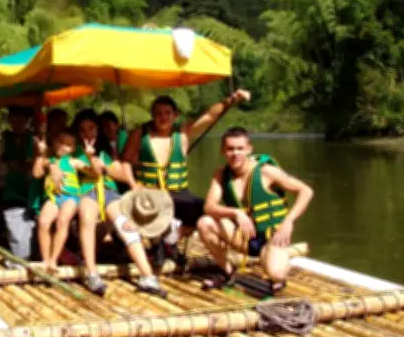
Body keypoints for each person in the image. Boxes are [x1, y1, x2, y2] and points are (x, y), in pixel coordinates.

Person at [196, 127, 314, 291]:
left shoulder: (266, 171)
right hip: (245, 237)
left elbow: (305, 191)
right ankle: (227, 272)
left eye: (240, 148)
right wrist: (236, 213)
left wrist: (289, 222)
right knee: (205, 223)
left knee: (276, 273)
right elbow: (209, 206)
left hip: (273, 238)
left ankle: (274, 263)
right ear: (223, 151)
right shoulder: (221, 175)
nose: (235, 153)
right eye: (230, 149)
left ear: (249, 149)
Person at [122, 89, 252, 238]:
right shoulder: (140, 133)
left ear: (175, 115)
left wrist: (232, 99)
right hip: (150, 192)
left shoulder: (183, 132)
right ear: (152, 115)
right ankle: (165, 235)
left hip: (179, 193)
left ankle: (177, 233)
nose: (163, 117)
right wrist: (133, 185)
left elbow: (209, 116)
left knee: (207, 211)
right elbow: (126, 161)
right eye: (158, 113)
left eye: (167, 113)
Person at [72, 110, 167, 296]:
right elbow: (92, 171)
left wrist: (104, 165)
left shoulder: (105, 151)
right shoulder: (75, 150)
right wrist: (91, 160)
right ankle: (91, 273)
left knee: (124, 224)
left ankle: (147, 275)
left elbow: (121, 173)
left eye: (91, 128)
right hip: (86, 191)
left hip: (109, 191)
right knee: (87, 217)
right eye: (82, 130)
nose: (87, 133)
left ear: (97, 130)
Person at [33, 128, 91, 272]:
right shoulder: (49, 160)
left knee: (62, 221)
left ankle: (53, 260)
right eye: (60, 142)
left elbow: (92, 171)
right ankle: (45, 260)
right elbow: (36, 174)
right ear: (53, 142)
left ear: (73, 148)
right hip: (53, 197)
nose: (63, 147)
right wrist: (41, 154)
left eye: (68, 144)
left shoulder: (74, 162)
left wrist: (90, 157)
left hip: (71, 197)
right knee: (43, 222)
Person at [0, 107, 38, 262]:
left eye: (20, 121)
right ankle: (19, 256)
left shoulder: (32, 139)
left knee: (28, 224)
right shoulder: (5, 138)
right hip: (11, 188)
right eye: (14, 121)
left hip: (29, 188)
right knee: (14, 222)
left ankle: (24, 256)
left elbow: (30, 164)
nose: (17, 124)